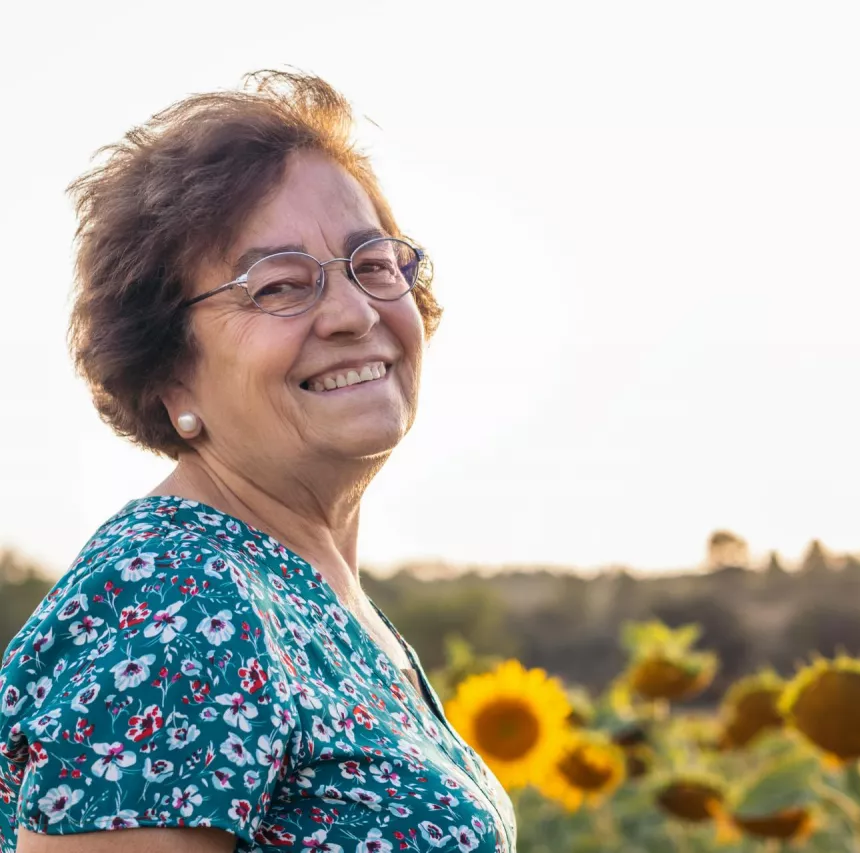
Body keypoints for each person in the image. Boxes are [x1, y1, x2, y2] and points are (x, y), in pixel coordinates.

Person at [0, 71, 515, 853]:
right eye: (278, 286)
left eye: (372, 264)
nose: (353, 312)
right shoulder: (173, 598)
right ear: (169, 373)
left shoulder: (305, 590)